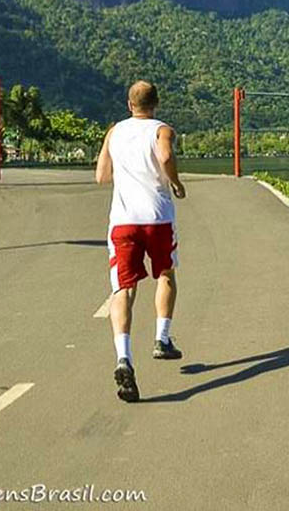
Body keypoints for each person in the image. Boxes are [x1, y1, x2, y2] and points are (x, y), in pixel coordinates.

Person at [95, 80, 187, 403]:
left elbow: (101, 176)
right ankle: (162, 339)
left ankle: (124, 358)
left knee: (123, 288)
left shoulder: (114, 132)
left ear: (128, 104)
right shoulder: (162, 130)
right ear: (156, 103)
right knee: (166, 274)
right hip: (158, 218)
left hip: (123, 222)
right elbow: (164, 156)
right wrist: (174, 182)